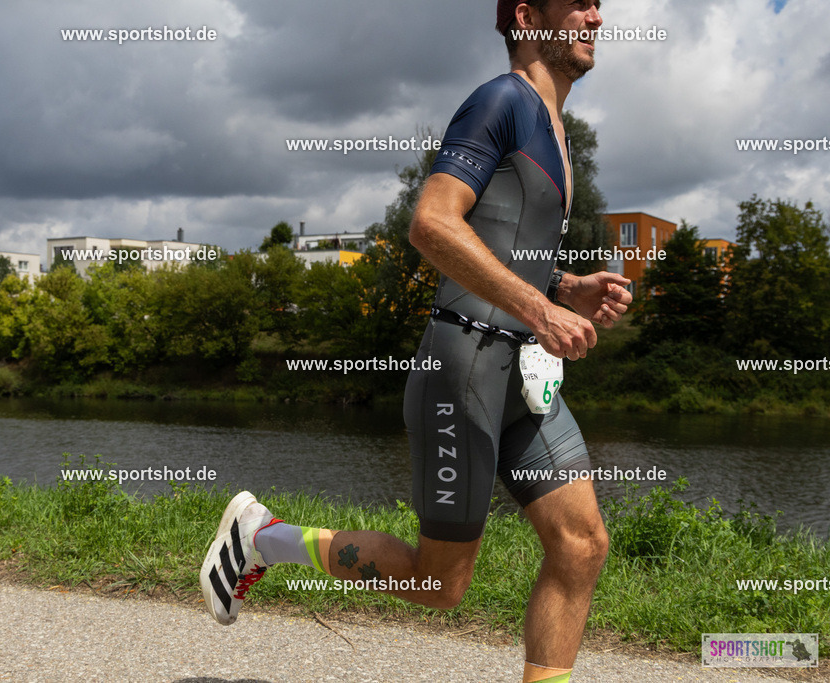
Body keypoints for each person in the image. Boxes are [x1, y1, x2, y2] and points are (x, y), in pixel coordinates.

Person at [201, 2, 632, 681]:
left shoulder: (557, 129)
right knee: (440, 584)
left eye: (599, 4)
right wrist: (539, 309)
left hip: (518, 372)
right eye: (577, 1)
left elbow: (502, 249)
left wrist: (564, 286)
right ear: (527, 15)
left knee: (581, 544)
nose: (596, 16)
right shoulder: (500, 102)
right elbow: (432, 223)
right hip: (462, 368)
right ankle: (263, 536)